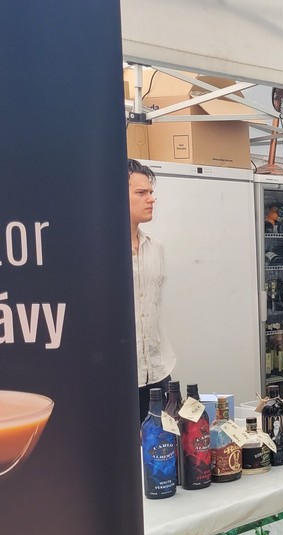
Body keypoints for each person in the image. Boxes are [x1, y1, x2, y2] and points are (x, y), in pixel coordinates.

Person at [130, 159, 176, 422]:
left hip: (158, 371)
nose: (151, 199)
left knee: (163, 441)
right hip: (119, 376)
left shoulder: (155, 247)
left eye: (151, 192)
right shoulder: (98, 250)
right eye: (141, 193)